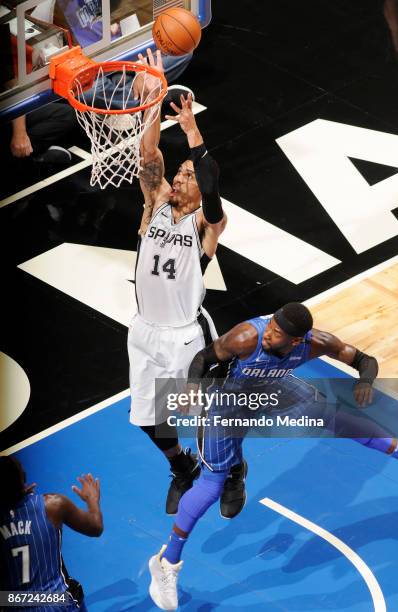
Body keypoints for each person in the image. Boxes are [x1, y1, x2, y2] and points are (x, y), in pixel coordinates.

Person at [148, 301, 398, 610]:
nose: (269, 332)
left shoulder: (315, 343)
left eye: (278, 332)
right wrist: (191, 386)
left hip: (273, 387)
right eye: (271, 324)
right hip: (227, 401)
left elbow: (365, 359)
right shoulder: (246, 337)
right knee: (211, 485)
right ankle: (167, 562)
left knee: (331, 415)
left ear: (296, 340)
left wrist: (364, 381)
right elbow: (203, 357)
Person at [127, 49, 229, 518]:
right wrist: (154, 97)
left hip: (185, 333)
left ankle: (230, 471)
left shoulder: (208, 225)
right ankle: (181, 467)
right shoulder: (156, 204)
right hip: (144, 329)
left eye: (185, 174)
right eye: (180, 173)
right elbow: (149, 156)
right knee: (147, 419)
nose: (179, 177)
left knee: (205, 415)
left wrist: (191, 131)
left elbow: (209, 184)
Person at [0, 456, 103, 611]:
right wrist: (92, 500)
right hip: (59, 604)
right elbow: (95, 527)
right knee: (72, 591)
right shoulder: (53, 505)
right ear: (23, 478)